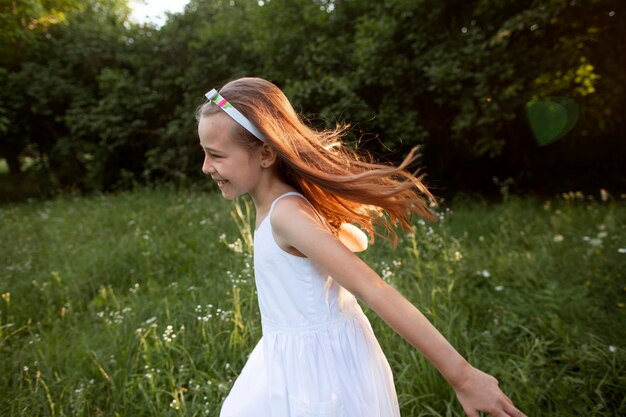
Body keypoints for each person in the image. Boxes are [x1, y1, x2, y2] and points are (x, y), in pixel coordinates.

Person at [196, 77, 526, 417]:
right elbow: (353, 241)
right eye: (205, 153)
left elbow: (374, 289)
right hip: (286, 357)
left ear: (266, 153)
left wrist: (462, 376)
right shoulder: (279, 207)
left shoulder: (287, 215)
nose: (206, 167)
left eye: (216, 155)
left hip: (321, 375)